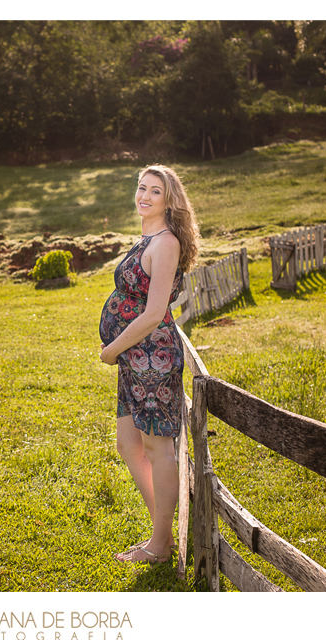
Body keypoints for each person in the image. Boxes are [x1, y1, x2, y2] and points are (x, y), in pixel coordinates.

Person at [98, 164, 200, 564]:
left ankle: (159, 545)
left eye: (154, 191)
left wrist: (112, 349)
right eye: (141, 188)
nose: (144, 196)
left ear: (169, 200)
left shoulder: (166, 243)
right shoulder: (149, 238)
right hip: (135, 359)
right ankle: (165, 532)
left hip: (152, 359)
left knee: (158, 450)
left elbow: (155, 313)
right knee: (128, 445)